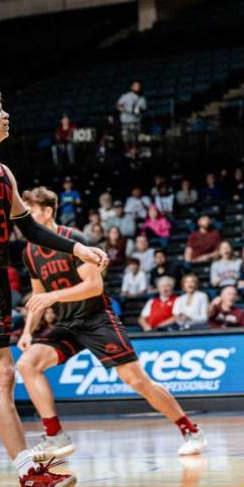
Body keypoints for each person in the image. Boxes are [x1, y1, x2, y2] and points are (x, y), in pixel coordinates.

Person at [0, 88, 110, 487]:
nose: (5, 115)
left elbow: (29, 229)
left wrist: (78, 246)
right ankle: (30, 473)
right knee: (3, 373)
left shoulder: (3, 172)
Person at [15, 187, 206, 462]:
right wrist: (27, 331)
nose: (25, 219)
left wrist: (52, 296)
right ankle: (55, 435)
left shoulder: (74, 240)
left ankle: (190, 430)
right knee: (27, 364)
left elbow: (94, 287)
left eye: (30, 212)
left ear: (46, 212)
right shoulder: (30, 252)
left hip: (96, 319)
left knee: (136, 380)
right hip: (68, 323)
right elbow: (38, 298)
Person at [116, 80, 146, 148]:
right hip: (125, 121)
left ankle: (133, 152)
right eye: (135, 86)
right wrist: (126, 110)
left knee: (134, 139)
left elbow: (144, 109)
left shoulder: (142, 98)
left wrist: (139, 111)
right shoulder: (125, 96)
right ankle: (128, 152)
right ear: (131, 87)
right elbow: (118, 105)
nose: (137, 87)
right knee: (125, 138)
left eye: (138, 86)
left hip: (136, 121)